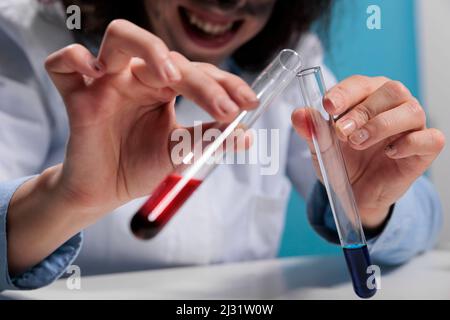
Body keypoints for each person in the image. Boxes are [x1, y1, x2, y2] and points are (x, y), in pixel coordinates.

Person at [0, 0, 444, 291]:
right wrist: (70, 199)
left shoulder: (291, 60)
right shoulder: (28, 39)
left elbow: (421, 220)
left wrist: (370, 207)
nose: (226, 4)